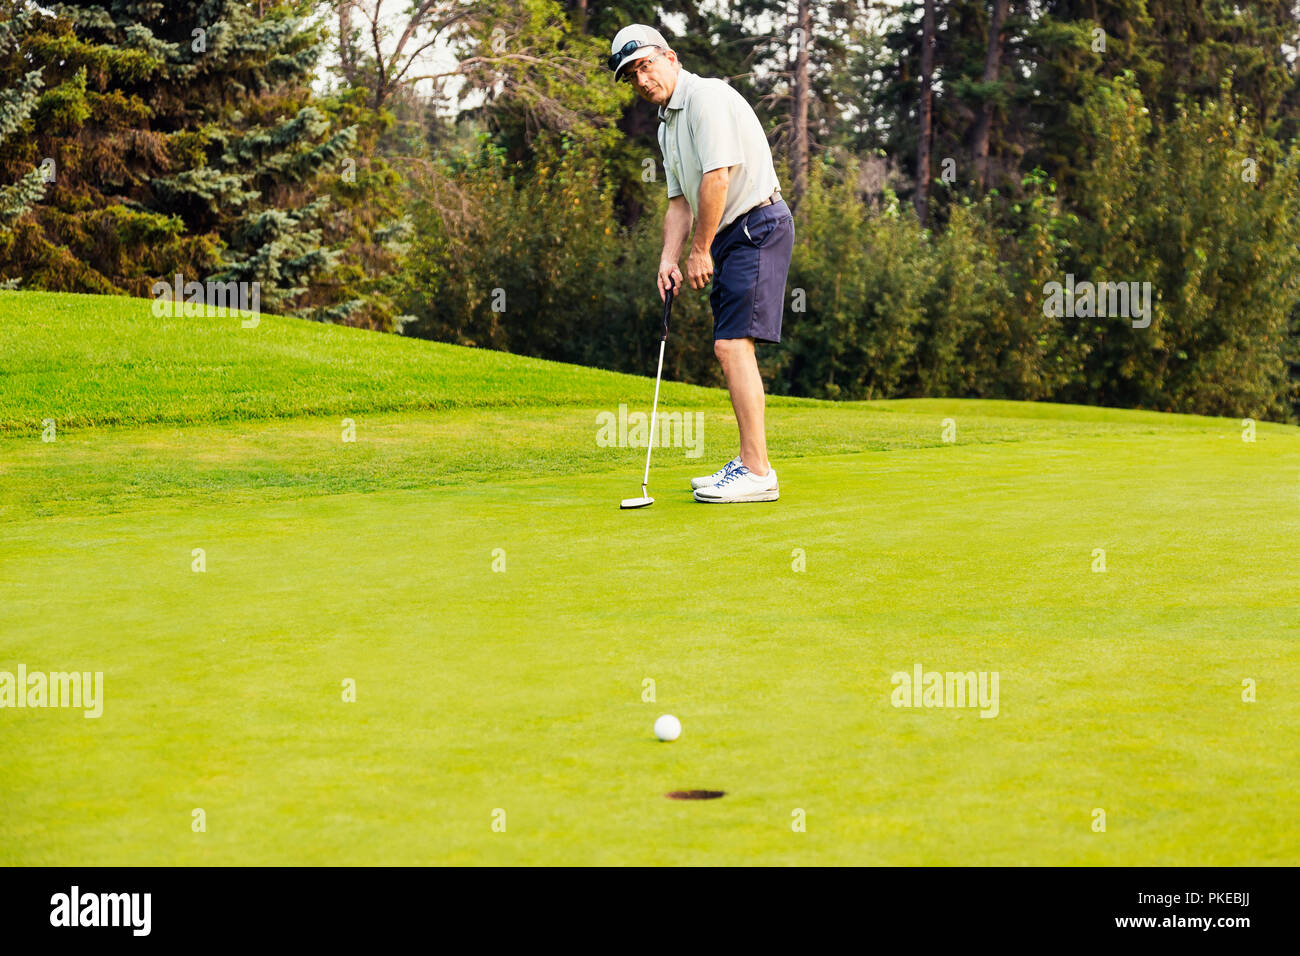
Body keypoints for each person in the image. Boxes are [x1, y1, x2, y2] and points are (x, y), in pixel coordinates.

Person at [609, 24, 794, 504]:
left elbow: (717, 177)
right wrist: (668, 259)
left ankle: (758, 471)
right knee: (729, 346)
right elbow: (679, 201)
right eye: (631, 75)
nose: (641, 79)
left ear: (670, 57)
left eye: (645, 65)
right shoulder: (667, 123)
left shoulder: (706, 98)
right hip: (732, 232)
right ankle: (749, 461)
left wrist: (699, 250)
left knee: (732, 345)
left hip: (756, 224)